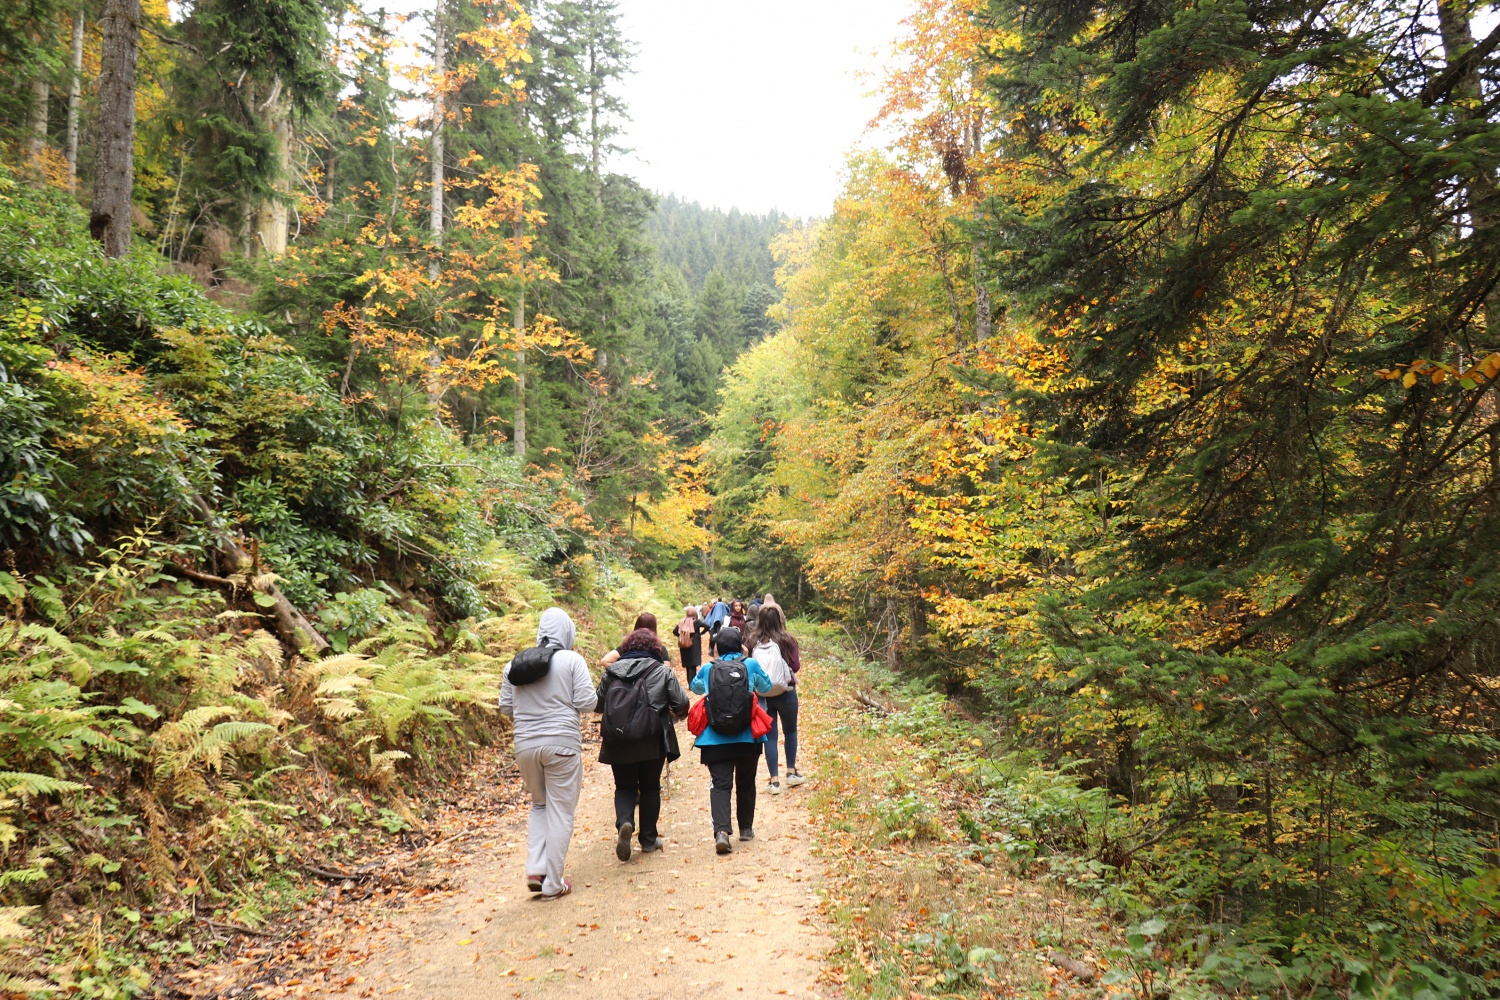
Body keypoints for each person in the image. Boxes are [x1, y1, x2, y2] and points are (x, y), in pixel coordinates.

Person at [499, 607, 597, 900]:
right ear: (567, 631)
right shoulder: (571, 660)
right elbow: (587, 702)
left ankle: (535, 869)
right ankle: (553, 883)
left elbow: (506, 708)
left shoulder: (513, 665)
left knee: (540, 806)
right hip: (562, 744)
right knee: (561, 811)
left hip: (525, 747)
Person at [595, 627, 690, 861]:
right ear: (655, 649)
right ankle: (648, 839)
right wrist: (672, 712)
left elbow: (598, 704)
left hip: (618, 739)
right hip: (652, 738)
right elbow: (682, 703)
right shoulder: (661, 671)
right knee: (649, 786)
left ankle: (625, 823)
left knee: (624, 786)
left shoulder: (613, 671)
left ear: (626, 648)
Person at [690, 626, 773, 854]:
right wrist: (748, 657)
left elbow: (695, 688)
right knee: (746, 782)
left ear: (717, 647)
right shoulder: (751, 664)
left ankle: (722, 833)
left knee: (720, 785)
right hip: (748, 737)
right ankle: (746, 829)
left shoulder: (709, 668)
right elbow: (766, 686)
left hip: (714, 738)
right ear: (740, 644)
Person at [749, 604, 806, 794]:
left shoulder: (752, 640)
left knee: (770, 736)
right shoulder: (787, 640)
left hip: (763, 695)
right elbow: (795, 666)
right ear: (779, 620)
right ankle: (791, 772)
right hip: (786, 691)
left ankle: (774, 781)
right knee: (790, 731)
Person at [675, 606, 711, 684]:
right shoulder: (697, 622)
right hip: (694, 646)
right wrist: (701, 633)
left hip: (684, 646)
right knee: (693, 665)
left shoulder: (682, 621)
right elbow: (707, 626)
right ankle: (692, 684)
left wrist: (683, 636)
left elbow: (675, 631)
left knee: (688, 665)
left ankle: (689, 682)